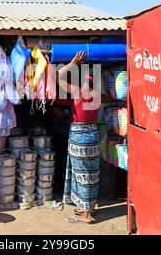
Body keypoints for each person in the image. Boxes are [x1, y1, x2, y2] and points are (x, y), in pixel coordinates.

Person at [58, 51, 101, 224]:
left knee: (81, 173)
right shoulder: (96, 94)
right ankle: (87, 208)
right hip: (93, 134)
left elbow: (58, 76)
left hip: (80, 135)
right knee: (91, 173)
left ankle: (86, 215)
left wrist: (72, 62)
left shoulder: (78, 91)